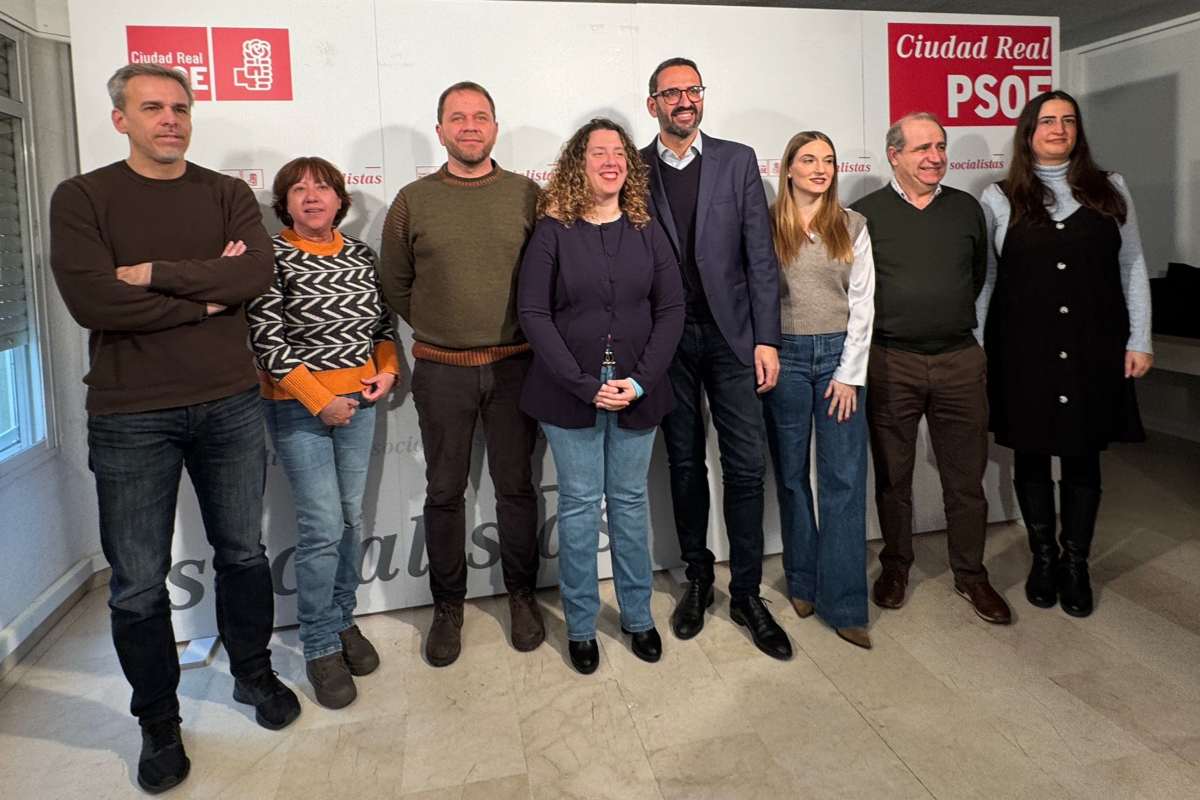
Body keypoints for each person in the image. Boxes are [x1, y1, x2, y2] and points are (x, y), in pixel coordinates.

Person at [48, 63, 299, 795]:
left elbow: (251, 278)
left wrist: (152, 271)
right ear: (120, 118)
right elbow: (95, 303)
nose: (170, 119)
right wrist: (206, 295)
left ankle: (252, 673)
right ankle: (159, 721)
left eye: (181, 108)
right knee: (136, 584)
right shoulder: (83, 197)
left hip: (228, 401)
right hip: (131, 413)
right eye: (153, 107)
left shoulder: (225, 194)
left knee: (243, 553)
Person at [378, 81, 544, 667]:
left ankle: (522, 596)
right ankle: (447, 606)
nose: (469, 126)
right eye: (457, 118)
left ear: (495, 127)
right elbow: (395, 282)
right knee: (444, 492)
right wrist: (439, 325)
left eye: (480, 117)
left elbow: (549, 273)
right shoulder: (412, 200)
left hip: (516, 368)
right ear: (440, 129)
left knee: (516, 489)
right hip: (442, 372)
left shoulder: (528, 195)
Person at [518, 118, 684, 674]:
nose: (610, 161)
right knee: (581, 505)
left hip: (639, 391)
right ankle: (581, 627)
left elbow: (671, 309)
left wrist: (639, 381)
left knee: (631, 503)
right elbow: (533, 313)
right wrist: (583, 384)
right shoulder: (553, 231)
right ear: (578, 163)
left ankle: (637, 617)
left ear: (629, 166)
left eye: (618, 153)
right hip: (568, 395)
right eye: (598, 152)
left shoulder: (646, 228)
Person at [978, 90, 1152, 617]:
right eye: (1048, 120)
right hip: (1022, 349)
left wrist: (1140, 338)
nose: (1059, 129)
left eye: (1068, 120)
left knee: (1082, 455)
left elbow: (1132, 266)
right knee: (1030, 453)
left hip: (1092, 347)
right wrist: (980, 346)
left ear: (1078, 131)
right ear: (1029, 132)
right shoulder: (999, 196)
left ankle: (1076, 565)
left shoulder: (1110, 188)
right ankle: (1044, 558)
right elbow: (988, 279)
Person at [642, 57, 791, 660]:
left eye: (693, 89)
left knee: (747, 467)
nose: (685, 100)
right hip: (667, 340)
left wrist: (767, 338)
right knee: (683, 464)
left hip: (734, 339)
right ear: (653, 104)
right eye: (672, 92)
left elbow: (760, 255)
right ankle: (698, 578)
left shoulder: (736, 160)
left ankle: (748, 594)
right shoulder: (634, 168)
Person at [247, 157, 398, 708]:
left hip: (359, 404)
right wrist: (321, 402)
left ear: (340, 200)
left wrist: (387, 371)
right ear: (284, 203)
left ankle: (341, 619)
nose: (312, 197)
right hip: (298, 409)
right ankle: (317, 645)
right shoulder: (271, 256)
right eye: (299, 190)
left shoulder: (360, 255)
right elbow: (268, 341)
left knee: (350, 519)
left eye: (322, 188)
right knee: (321, 527)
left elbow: (381, 327)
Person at [851, 112, 1012, 625]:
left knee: (966, 478)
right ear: (894, 155)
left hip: (959, 359)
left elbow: (979, 277)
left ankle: (971, 574)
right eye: (922, 148)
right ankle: (896, 566)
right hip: (890, 361)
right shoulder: (864, 215)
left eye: (940, 146)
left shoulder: (967, 209)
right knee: (893, 476)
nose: (936, 157)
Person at [764, 131, 875, 649]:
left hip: (837, 359)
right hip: (784, 357)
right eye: (808, 159)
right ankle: (802, 581)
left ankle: (846, 604)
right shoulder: (766, 225)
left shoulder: (852, 225)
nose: (820, 168)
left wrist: (849, 374)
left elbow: (863, 302)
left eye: (828, 160)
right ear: (788, 168)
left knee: (844, 481)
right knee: (790, 476)